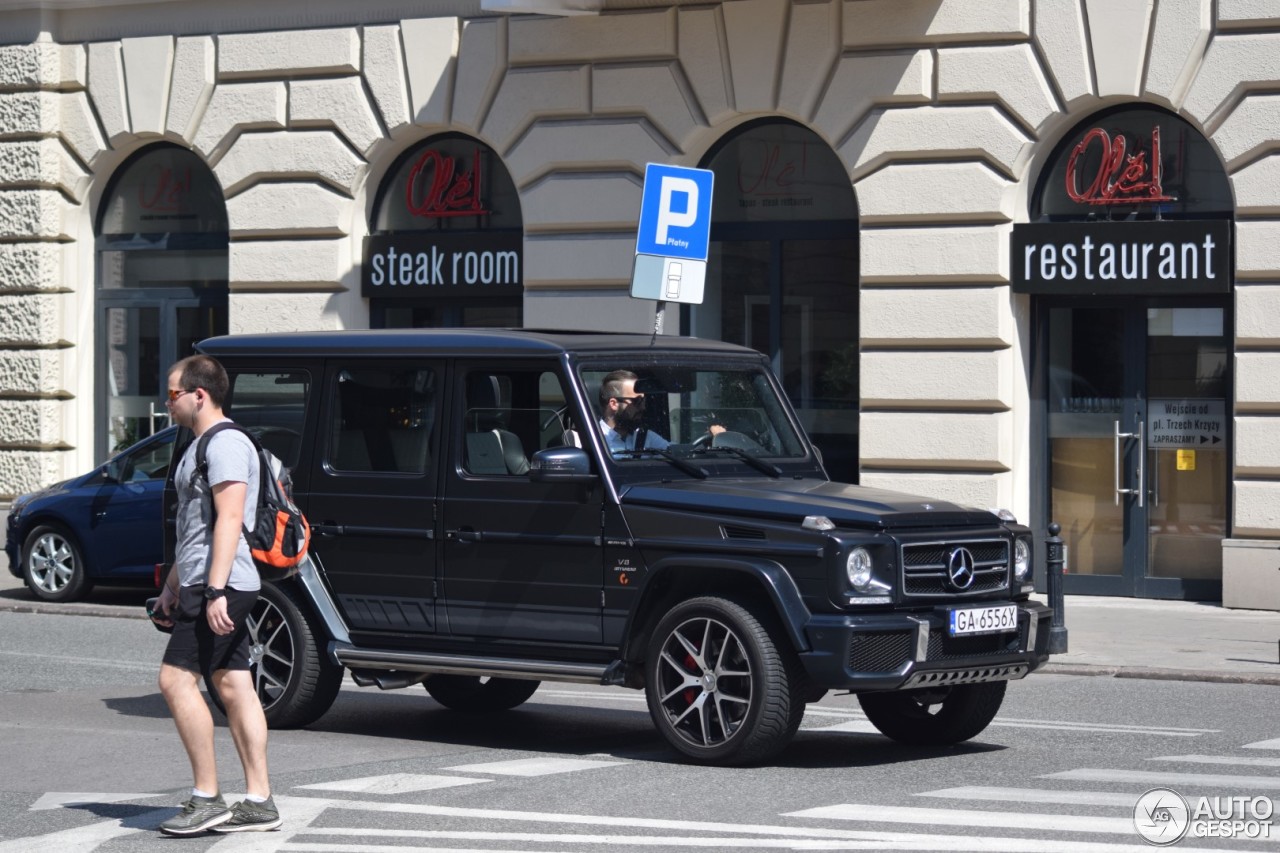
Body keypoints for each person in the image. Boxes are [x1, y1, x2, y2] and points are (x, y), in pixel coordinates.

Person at [152, 354, 282, 835]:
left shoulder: (225, 444)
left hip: (221, 584)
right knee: (233, 684)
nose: (168, 403)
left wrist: (213, 591)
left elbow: (229, 520)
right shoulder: (199, 444)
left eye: (172, 394)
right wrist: (172, 586)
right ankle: (259, 800)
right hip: (207, 581)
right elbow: (195, 527)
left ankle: (207, 797)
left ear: (198, 394)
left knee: (175, 680)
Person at [598, 369, 722, 455]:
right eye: (637, 401)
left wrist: (709, 440)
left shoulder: (645, 437)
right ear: (613, 404)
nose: (643, 408)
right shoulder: (591, 438)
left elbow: (679, 454)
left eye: (644, 401)